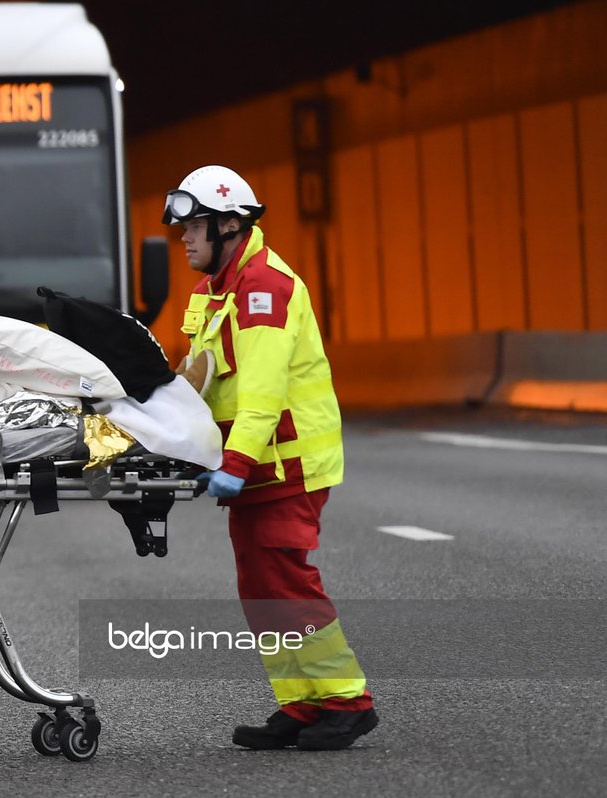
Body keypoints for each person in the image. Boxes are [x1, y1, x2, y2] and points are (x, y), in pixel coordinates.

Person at [164, 165, 378, 751]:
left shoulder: (264, 289)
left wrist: (233, 465)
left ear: (229, 226)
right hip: (257, 464)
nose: (184, 238)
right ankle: (302, 704)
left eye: (194, 227)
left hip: (286, 463)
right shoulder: (213, 292)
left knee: (285, 580)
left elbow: (260, 394)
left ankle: (347, 701)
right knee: (261, 588)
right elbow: (201, 380)